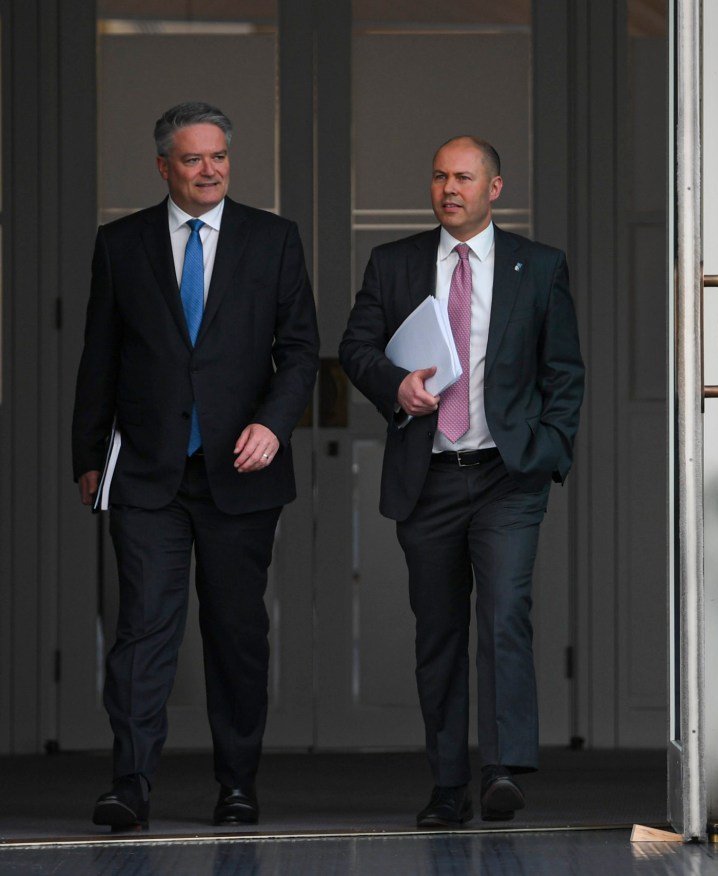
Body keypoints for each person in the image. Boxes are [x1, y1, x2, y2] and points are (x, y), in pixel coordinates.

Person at [71, 102, 320, 830]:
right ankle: (131, 784)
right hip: (146, 472)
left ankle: (237, 785)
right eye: (192, 159)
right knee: (143, 626)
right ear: (163, 167)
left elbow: (299, 350)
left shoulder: (272, 240)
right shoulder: (120, 244)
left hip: (240, 475)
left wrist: (274, 426)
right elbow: (100, 358)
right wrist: (88, 455)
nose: (209, 170)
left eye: (219, 157)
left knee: (236, 632)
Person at [339, 136, 584, 827]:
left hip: (508, 476)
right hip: (429, 479)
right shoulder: (394, 263)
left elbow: (563, 372)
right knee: (439, 633)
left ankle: (501, 769)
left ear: (494, 188)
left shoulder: (537, 268)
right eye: (440, 176)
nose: (450, 188)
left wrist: (548, 450)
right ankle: (448, 784)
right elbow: (356, 348)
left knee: (505, 613)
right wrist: (396, 386)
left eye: (465, 177)